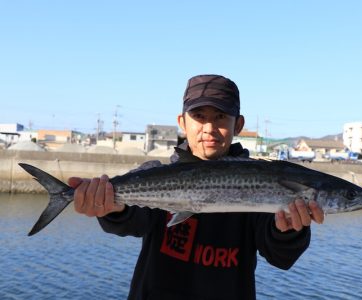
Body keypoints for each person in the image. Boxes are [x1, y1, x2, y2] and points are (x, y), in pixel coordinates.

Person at [69, 74, 325, 300]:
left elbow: (281, 257)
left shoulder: (261, 180)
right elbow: (133, 221)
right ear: (182, 122)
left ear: (238, 125)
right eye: (199, 116)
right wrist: (109, 208)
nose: (209, 128)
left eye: (221, 117)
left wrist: (288, 232)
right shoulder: (155, 174)